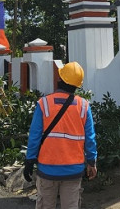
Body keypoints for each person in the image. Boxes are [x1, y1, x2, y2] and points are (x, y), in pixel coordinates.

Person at [23, 62, 97, 209]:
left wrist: (29, 160)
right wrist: (91, 162)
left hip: (47, 170)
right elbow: (90, 138)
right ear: (77, 85)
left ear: (60, 78)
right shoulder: (83, 106)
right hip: (73, 171)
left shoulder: (44, 104)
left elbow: (35, 136)